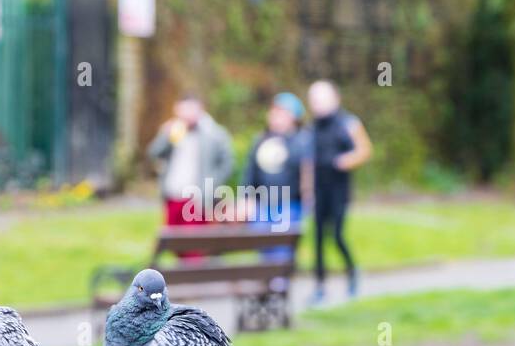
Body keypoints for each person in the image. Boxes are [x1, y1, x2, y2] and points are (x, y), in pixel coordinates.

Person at [307, 79, 372, 302]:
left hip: (339, 190)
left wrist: (347, 160)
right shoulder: (312, 127)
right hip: (319, 190)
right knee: (317, 239)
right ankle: (319, 286)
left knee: (336, 235)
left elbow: (364, 150)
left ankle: (352, 272)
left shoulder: (349, 122)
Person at [147, 94, 233, 250]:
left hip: (196, 199)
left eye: (191, 109)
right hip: (173, 195)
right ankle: (184, 272)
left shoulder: (213, 133)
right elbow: (154, 153)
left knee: (194, 245)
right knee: (174, 244)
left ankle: (193, 272)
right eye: (184, 109)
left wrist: (211, 185)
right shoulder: (174, 131)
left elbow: (227, 163)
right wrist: (167, 136)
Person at [240, 92, 310, 262]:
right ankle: (269, 278)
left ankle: (278, 281)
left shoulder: (303, 141)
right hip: (263, 204)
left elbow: (306, 174)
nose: (275, 117)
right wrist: (246, 198)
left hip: (289, 205)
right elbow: (250, 172)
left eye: (281, 112)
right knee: (262, 241)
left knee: (282, 248)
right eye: (273, 112)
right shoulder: (261, 140)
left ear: (293, 117)